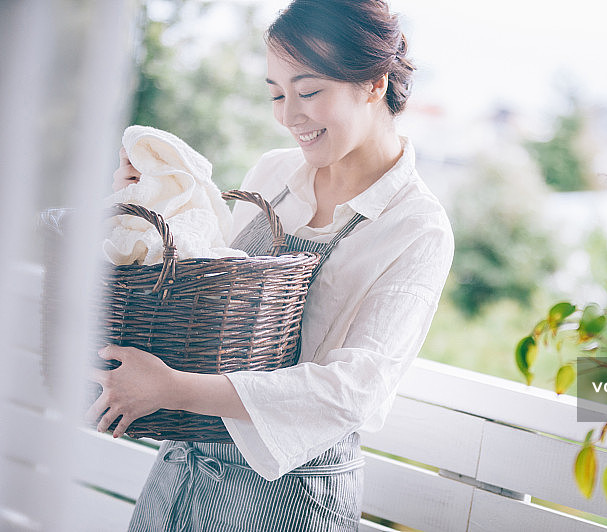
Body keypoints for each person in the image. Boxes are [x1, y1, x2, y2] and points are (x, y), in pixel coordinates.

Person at [90, 0, 454, 530]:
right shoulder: (273, 174)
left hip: (291, 497)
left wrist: (174, 389)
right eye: (276, 94)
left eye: (308, 92)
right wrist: (147, 202)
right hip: (187, 466)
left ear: (374, 82)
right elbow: (205, 286)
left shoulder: (416, 227)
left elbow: (353, 392)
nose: (288, 116)